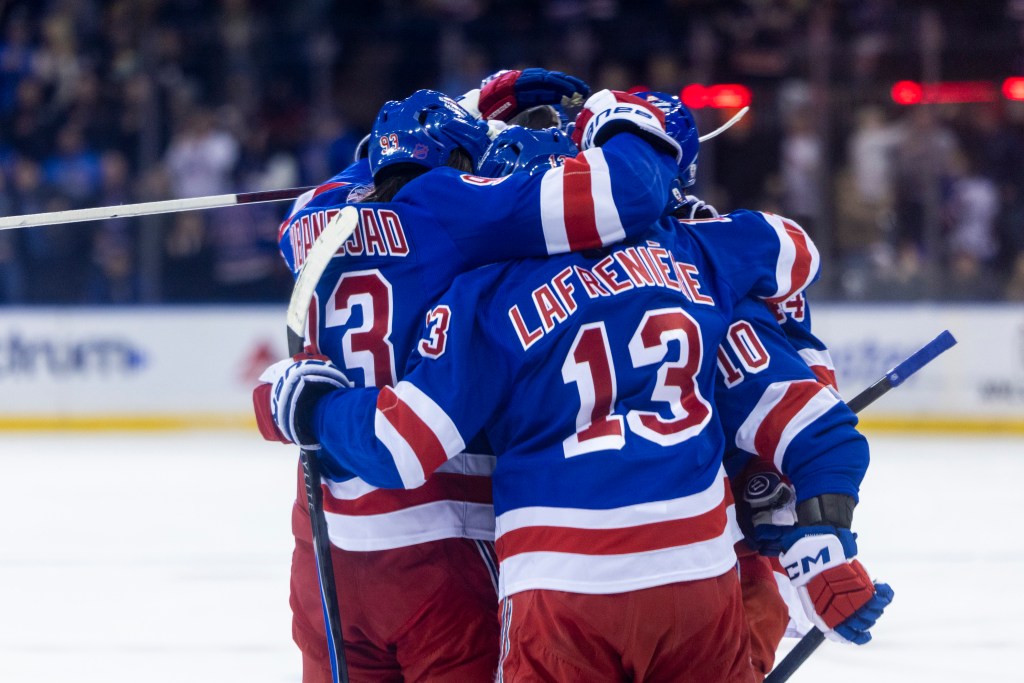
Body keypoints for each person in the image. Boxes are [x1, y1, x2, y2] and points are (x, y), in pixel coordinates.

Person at [256, 89, 890, 681]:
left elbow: (401, 441)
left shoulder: (473, 291)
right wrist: (819, 535)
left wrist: (305, 408)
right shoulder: (702, 256)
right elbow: (797, 265)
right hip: (700, 565)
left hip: (543, 578)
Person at [262, 78, 686, 682]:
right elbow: (622, 196)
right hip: (438, 537)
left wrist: (475, 106)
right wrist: (622, 120)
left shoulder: (308, 217)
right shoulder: (453, 205)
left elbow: (372, 170)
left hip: (326, 543)